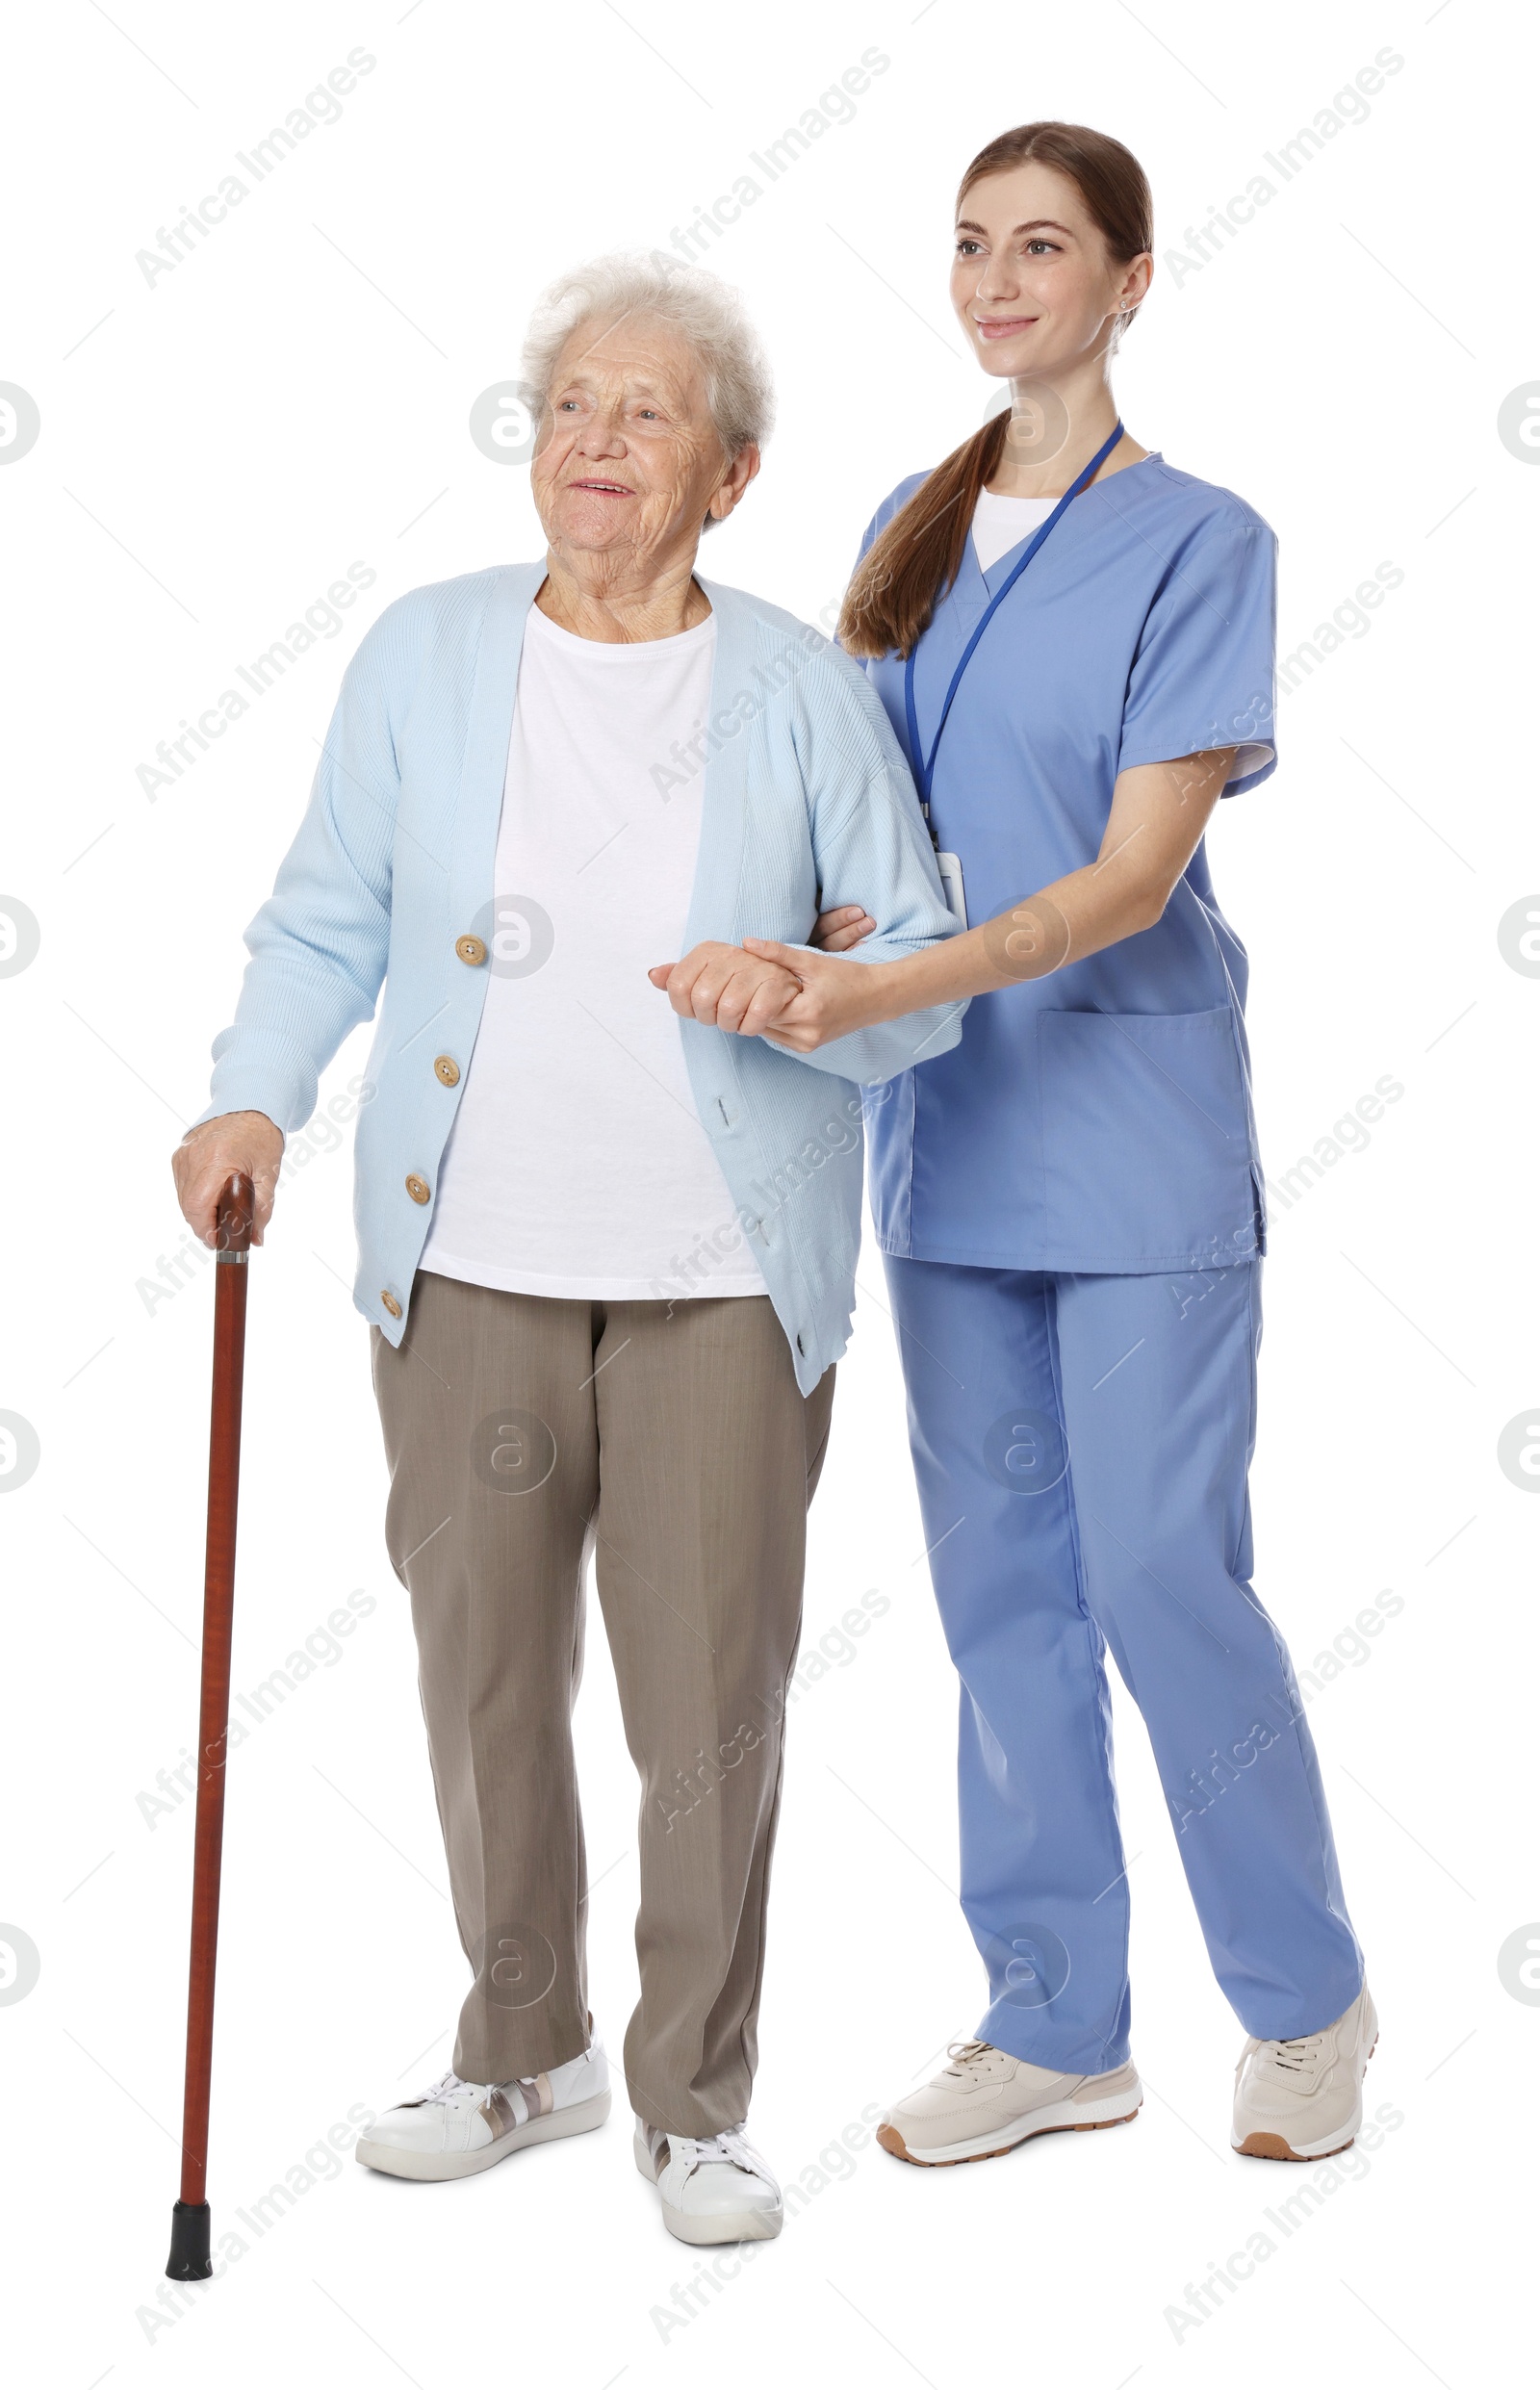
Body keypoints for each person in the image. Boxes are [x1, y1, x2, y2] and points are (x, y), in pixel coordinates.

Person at [170, 252, 962, 2244]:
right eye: (571, 407)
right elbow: (326, 915)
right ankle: (523, 2056)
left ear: (733, 473)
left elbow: (924, 975)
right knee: (482, 1678)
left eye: (647, 415)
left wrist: (801, 981)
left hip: (716, 1273)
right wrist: (256, 1092)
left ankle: (692, 2102)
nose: (596, 443)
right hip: (465, 1264)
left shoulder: (794, 689)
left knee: (705, 1711)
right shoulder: (424, 656)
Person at [659, 123, 1374, 2170]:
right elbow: (855, 842)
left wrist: (879, 987)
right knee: (998, 1596)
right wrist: (786, 955)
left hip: (1129, 1125)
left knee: (1159, 1572)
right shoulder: (907, 515)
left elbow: (1134, 880)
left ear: (1128, 278)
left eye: (1039, 247)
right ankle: (1052, 2021)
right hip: (946, 1144)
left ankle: (1303, 2003)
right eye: (968, 243)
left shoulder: (1200, 540)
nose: (992, 281)